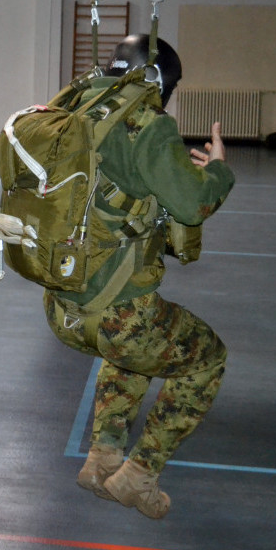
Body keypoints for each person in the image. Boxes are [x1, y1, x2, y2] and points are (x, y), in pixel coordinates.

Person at [44, 34, 235, 519]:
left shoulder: (70, 108)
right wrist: (217, 171)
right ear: (158, 82)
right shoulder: (146, 124)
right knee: (206, 360)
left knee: (132, 352)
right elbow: (192, 206)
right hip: (119, 315)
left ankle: (102, 460)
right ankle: (139, 475)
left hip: (64, 309)